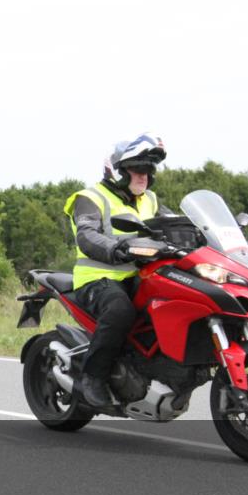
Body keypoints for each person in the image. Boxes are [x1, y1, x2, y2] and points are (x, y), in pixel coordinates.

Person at [62, 133, 169, 408]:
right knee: (121, 310)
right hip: (98, 278)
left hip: (138, 276)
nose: (144, 175)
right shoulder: (90, 198)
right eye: (137, 169)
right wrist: (116, 248)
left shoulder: (150, 200)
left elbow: (177, 226)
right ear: (117, 171)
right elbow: (86, 235)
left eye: (149, 169)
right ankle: (92, 377)